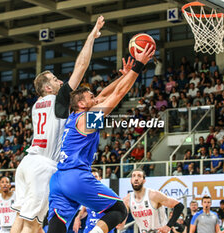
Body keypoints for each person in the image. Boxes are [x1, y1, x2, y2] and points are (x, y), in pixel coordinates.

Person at [11, 16, 105, 233]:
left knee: (20, 216)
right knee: (32, 224)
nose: (60, 81)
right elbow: (80, 67)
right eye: (54, 80)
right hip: (43, 166)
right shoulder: (58, 100)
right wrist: (91, 36)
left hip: (26, 163)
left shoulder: (37, 105)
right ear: (48, 89)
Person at [48, 44, 155, 233]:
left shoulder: (73, 118)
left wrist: (124, 76)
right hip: (76, 177)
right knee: (119, 209)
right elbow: (118, 94)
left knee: (58, 221)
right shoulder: (89, 119)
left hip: (58, 179)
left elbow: (105, 94)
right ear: (82, 104)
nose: (96, 98)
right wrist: (139, 66)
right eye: (91, 97)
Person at [118, 168, 184, 233]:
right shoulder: (127, 199)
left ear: (144, 180)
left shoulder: (154, 195)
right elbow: (121, 225)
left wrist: (168, 226)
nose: (136, 178)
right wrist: (118, 223)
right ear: (131, 180)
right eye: (134, 176)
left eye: (139, 176)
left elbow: (179, 206)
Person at [72, 168, 114, 233]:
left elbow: (116, 212)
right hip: (89, 228)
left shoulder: (108, 194)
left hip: (103, 229)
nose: (93, 179)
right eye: (91, 177)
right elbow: (84, 210)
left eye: (95, 176)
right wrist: (78, 218)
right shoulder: (87, 195)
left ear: (100, 178)